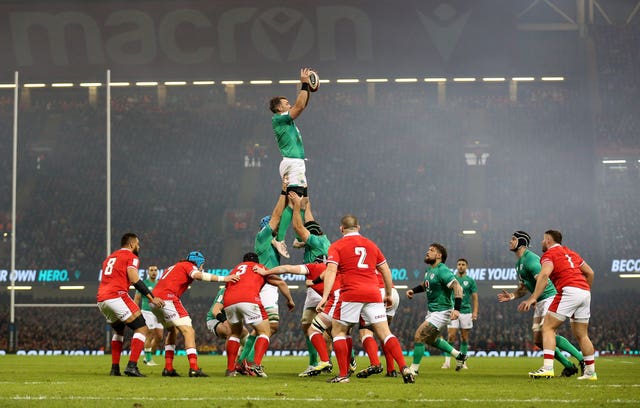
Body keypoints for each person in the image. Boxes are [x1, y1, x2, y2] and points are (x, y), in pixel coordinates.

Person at [317, 214, 413, 384]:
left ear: (341, 229)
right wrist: (389, 294)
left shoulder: (337, 246)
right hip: (374, 294)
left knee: (338, 331)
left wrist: (325, 297)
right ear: (358, 227)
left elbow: (331, 271)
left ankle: (343, 375)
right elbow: (386, 270)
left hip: (351, 293)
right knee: (385, 333)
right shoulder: (371, 245)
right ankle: (404, 367)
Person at [498, 231, 585, 377]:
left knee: (548, 332)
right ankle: (569, 366)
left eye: (513, 239)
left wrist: (532, 298)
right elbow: (523, 289)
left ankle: (581, 359)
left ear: (521, 242)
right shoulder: (519, 264)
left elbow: (543, 281)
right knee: (539, 340)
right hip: (539, 301)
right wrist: (512, 296)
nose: (510, 241)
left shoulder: (530, 259)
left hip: (549, 297)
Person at [519, 230, 597, 380]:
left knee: (547, 328)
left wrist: (533, 297)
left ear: (548, 240)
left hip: (568, 290)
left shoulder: (548, 255)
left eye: (543, 239)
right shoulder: (571, 253)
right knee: (582, 335)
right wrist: (584, 292)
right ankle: (590, 372)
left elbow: (544, 275)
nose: (542, 242)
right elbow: (590, 273)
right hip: (584, 292)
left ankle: (547, 368)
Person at [150, 251, 238, 377]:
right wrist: (224, 278)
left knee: (172, 331)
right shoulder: (188, 265)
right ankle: (194, 368)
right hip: (168, 299)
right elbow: (197, 275)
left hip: (154, 301)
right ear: (197, 262)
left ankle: (168, 368)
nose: (202, 268)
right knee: (189, 331)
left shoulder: (173, 267)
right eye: (201, 265)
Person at [97, 232, 164, 377]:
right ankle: (132, 366)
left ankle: (115, 368)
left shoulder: (109, 258)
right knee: (142, 328)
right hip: (117, 295)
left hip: (102, 299)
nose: (138, 247)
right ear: (132, 244)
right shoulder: (131, 257)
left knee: (119, 330)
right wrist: (151, 297)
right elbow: (134, 279)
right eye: (138, 244)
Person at [237, 181, 289, 371]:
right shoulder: (263, 236)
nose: (277, 229)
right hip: (265, 285)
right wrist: (284, 191)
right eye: (273, 227)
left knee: (260, 328)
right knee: (271, 326)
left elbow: (281, 220)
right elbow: (277, 216)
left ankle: (242, 361)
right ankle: (250, 362)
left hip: (269, 286)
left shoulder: (272, 243)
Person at [254, 254, 331, 377]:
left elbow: (287, 268)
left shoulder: (313, 267)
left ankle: (318, 362)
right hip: (335, 298)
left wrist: (266, 272)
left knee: (311, 329)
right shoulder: (334, 270)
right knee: (337, 331)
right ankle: (345, 361)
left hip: (324, 298)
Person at [224, 252, 295, 377]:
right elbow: (281, 283)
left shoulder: (235, 269)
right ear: (257, 262)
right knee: (265, 332)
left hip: (229, 301)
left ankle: (230, 369)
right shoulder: (258, 268)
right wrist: (289, 300)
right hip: (249, 299)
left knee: (234, 334)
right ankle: (255, 365)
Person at [268, 68, 314, 258]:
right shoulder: (279, 119)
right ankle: (279, 238)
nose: (290, 104)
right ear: (279, 108)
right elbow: (300, 106)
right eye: (286, 103)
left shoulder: (286, 121)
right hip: (292, 163)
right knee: (293, 203)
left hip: (296, 163)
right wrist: (304, 83)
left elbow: (302, 103)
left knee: (303, 201)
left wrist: (308, 88)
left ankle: (298, 236)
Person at [406, 243, 468, 376]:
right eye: (428, 249)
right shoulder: (430, 271)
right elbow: (426, 284)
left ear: (439, 255)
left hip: (442, 311)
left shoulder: (442, 269)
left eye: (431, 250)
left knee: (419, 335)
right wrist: (413, 290)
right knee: (431, 339)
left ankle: (413, 369)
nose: (427, 252)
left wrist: (457, 309)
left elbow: (458, 287)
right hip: (433, 311)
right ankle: (458, 355)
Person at [287, 191, 331, 375]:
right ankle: (323, 361)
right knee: (319, 326)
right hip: (322, 285)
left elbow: (299, 228)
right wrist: (307, 206)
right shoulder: (324, 239)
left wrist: (297, 206)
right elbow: (310, 222)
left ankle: (317, 362)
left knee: (311, 326)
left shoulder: (315, 241)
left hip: (317, 285)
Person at [356, 268, 401, 379]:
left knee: (365, 332)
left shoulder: (357, 262)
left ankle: (375, 363)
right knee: (385, 334)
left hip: (375, 293)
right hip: (392, 293)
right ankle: (391, 369)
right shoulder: (375, 260)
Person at [442, 258, 478, 371]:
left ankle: (462, 362)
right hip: (453, 310)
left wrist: (475, 311)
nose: (461, 266)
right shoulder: (453, 279)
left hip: (466, 311)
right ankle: (447, 362)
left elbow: (475, 297)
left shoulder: (470, 281)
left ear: (466, 267)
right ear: (457, 266)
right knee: (451, 336)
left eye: (463, 264)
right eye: (459, 264)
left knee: (464, 337)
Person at [133, 265, 164, 366]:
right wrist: (135, 311)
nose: (154, 272)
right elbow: (137, 298)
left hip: (158, 312)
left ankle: (149, 355)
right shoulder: (144, 284)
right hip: (147, 311)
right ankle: (148, 358)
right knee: (150, 333)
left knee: (159, 336)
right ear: (148, 272)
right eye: (151, 270)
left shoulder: (160, 284)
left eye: (155, 270)